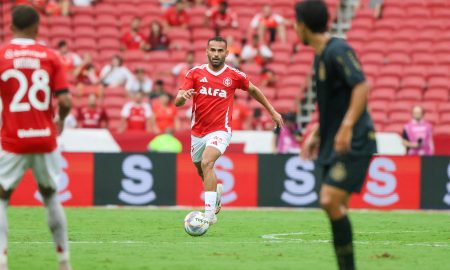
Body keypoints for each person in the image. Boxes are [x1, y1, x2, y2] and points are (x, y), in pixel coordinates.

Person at [295, 1, 377, 270]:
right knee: (335, 206)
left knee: (329, 199)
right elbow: (332, 103)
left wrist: (346, 127)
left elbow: (362, 86)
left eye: (296, 24)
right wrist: (318, 132)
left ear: (303, 26)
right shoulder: (320, 56)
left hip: (355, 140)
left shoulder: (337, 50)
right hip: (332, 142)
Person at [175, 36, 283, 224]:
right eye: (213, 50)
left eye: (220, 50)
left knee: (207, 163)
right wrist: (183, 97)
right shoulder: (194, 73)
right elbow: (177, 101)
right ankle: (215, 193)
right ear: (206, 51)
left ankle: (208, 216)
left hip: (220, 130)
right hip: (197, 132)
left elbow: (254, 90)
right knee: (201, 170)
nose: (216, 54)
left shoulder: (234, 75)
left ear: (226, 52)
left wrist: (272, 112)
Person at [0, 5, 73, 270]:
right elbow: (64, 100)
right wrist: (60, 121)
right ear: (37, 28)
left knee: (1, 199)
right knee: (51, 195)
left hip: (12, 139)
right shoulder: (50, 56)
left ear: (10, 27)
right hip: (45, 138)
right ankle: (64, 262)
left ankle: (2, 262)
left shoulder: (1, 55)